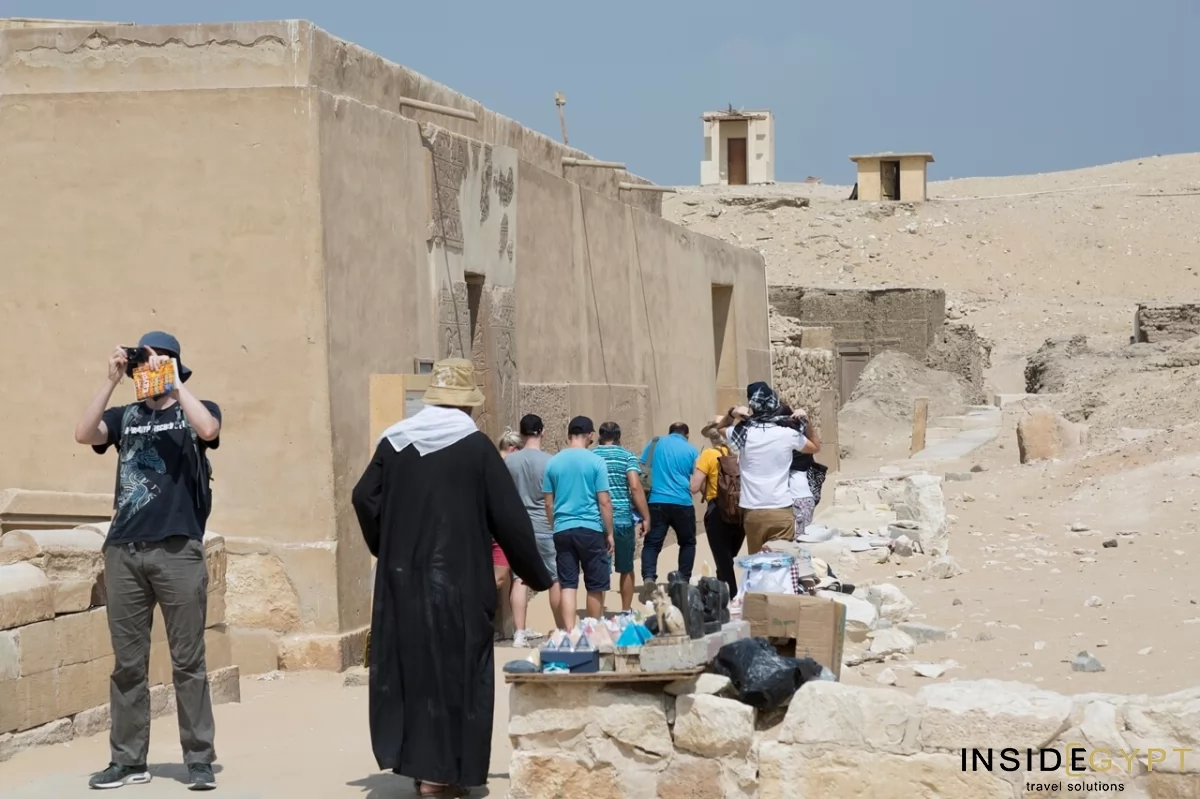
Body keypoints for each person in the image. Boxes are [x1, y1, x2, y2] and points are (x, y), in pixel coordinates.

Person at [352, 358, 553, 796]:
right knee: (455, 676)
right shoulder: (475, 447)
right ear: (465, 407)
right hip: (458, 586)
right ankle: (440, 776)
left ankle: (424, 769)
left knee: (414, 673)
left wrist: (389, 548)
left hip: (403, 585)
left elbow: (363, 498)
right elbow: (509, 519)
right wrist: (537, 572)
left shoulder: (395, 442)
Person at [73, 332, 221, 791]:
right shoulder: (126, 416)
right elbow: (84, 434)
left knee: (188, 661)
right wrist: (111, 380)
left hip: (177, 549)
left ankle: (198, 758)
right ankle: (128, 760)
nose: (148, 366)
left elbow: (209, 431)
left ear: (175, 363)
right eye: (144, 360)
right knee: (127, 665)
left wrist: (174, 382)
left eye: (156, 360)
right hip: (125, 550)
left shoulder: (195, 406)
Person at [716, 382, 818, 554]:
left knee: (758, 567)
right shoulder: (787, 434)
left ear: (752, 407)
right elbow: (815, 446)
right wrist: (806, 420)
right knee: (781, 566)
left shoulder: (743, 434)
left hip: (753, 512)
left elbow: (720, 428)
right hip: (781, 510)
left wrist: (732, 412)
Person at [543, 417, 614, 624]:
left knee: (568, 585)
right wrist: (609, 533)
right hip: (590, 529)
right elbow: (604, 502)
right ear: (590, 435)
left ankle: (570, 635)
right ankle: (591, 634)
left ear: (569, 436)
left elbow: (549, 503)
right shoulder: (596, 462)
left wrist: (553, 525)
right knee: (595, 585)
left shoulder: (553, 462)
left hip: (562, 529)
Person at [505, 414, 562, 644]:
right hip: (545, 525)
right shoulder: (550, 461)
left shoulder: (509, 461)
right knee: (555, 578)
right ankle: (561, 629)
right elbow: (554, 497)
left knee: (520, 578)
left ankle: (519, 632)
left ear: (520, 433)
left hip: (520, 527)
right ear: (543, 432)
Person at [593, 422, 651, 613]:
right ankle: (626, 610)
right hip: (623, 520)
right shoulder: (627, 456)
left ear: (600, 436)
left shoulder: (592, 456)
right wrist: (645, 516)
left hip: (598, 519)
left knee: (600, 569)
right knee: (626, 567)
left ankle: (598, 613)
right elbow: (635, 487)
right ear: (619, 436)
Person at [639, 422, 700, 586]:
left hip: (656, 501)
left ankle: (649, 577)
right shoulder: (692, 450)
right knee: (687, 543)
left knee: (652, 544)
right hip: (683, 502)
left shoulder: (655, 444)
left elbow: (642, 467)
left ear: (669, 431)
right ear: (686, 435)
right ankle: (683, 580)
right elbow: (696, 479)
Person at [691, 421, 745, 597]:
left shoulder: (708, 455)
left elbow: (694, 486)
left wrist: (705, 489)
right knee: (728, 558)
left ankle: (732, 596)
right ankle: (721, 593)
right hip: (740, 510)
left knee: (723, 560)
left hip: (717, 510)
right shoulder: (739, 454)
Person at [491, 430, 523, 642]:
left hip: (490, 527)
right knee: (500, 578)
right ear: (513, 449)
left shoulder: (492, 464)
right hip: (499, 529)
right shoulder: (504, 467)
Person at [779, 404, 822, 539]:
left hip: (787, 499)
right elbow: (815, 447)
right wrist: (806, 421)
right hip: (804, 497)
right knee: (800, 545)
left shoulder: (784, 439)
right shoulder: (799, 437)